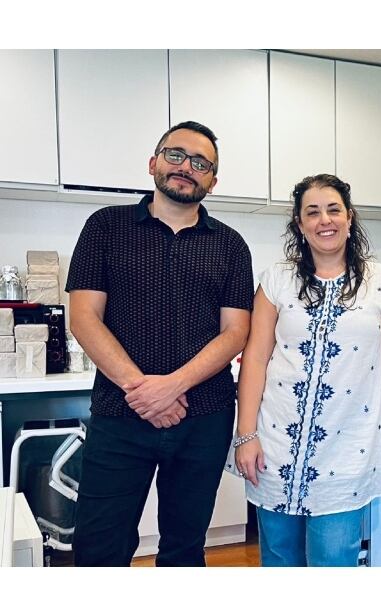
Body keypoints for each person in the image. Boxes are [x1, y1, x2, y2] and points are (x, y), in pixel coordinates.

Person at [66, 121, 254, 566]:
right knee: (99, 548)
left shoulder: (231, 246)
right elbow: (83, 317)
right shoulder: (105, 226)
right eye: (176, 155)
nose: (186, 167)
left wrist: (171, 387)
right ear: (154, 163)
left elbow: (236, 332)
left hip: (203, 418)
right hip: (120, 413)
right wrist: (143, 389)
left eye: (201, 163)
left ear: (212, 180)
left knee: (185, 549)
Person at [234, 173, 381, 567]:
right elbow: (256, 358)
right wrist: (245, 435)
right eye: (312, 213)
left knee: (333, 560)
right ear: (300, 225)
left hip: (348, 444)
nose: (324, 220)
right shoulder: (276, 280)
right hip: (277, 442)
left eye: (333, 210)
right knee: (280, 559)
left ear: (349, 218)